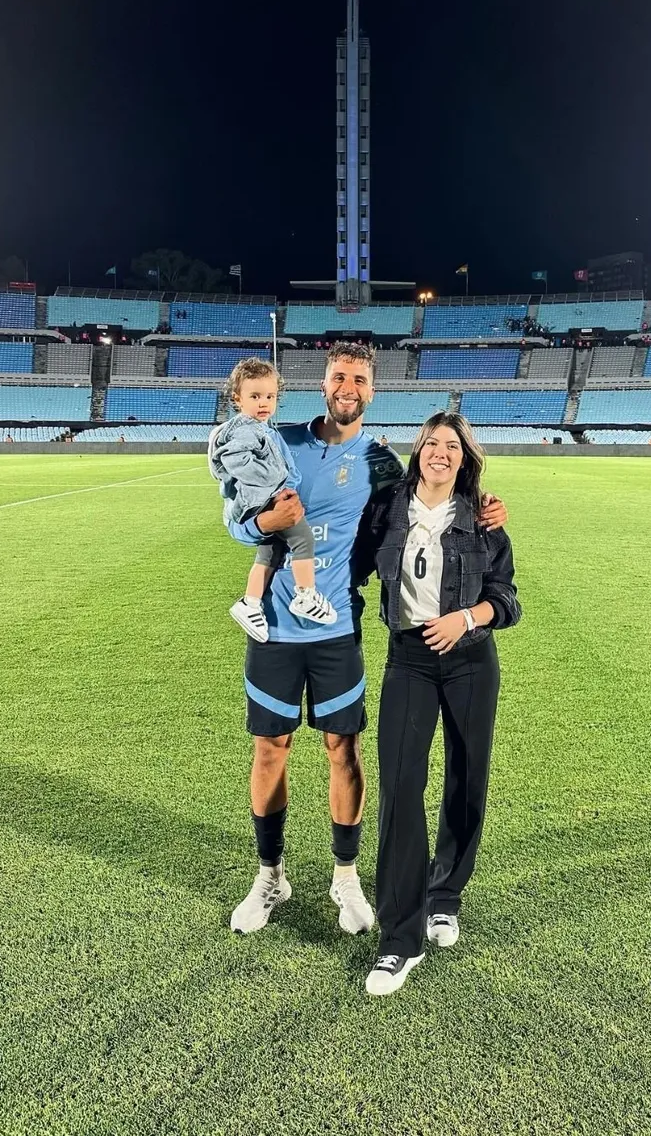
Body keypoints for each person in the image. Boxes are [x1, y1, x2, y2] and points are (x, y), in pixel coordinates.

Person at [223, 343, 507, 937]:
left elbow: (423, 498)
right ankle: (270, 873)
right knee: (270, 748)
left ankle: (345, 877)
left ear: (371, 391)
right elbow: (234, 512)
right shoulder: (280, 440)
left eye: (358, 378)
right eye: (338, 376)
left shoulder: (379, 462)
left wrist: (482, 507)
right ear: (322, 384)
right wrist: (259, 524)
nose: (347, 386)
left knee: (341, 750)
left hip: (338, 628)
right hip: (274, 627)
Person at [364, 413, 521, 996]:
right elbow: (351, 567)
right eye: (432, 442)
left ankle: (444, 895)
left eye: (452, 446)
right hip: (407, 658)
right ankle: (398, 941)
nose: (441, 452)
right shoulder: (385, 509)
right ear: (418, 451)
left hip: (471, 661)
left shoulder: (483, 520)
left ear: (465, 458)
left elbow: (507, 599)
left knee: (466, 779)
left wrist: (467, 617)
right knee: (401, 786)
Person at [209, 358, 338, 641]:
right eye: (255, 396)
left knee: (269, 553)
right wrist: (274, 485)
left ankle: (250, 602)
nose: (264, 403)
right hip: (263, 500)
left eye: (270, 396)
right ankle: (305, 595)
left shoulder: (262, 429)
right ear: (237, 398)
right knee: (303, 538)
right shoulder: (246, 428)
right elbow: (237, 460)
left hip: (264, 498)